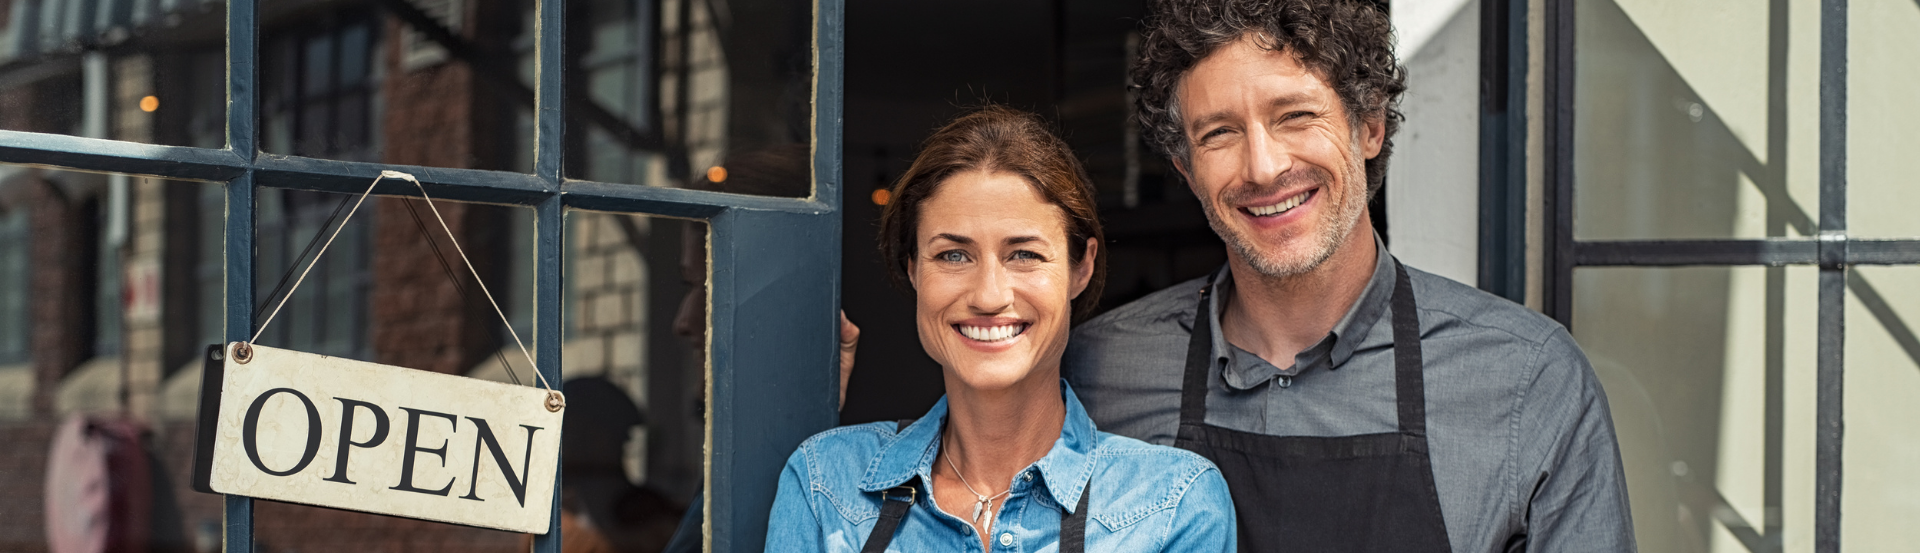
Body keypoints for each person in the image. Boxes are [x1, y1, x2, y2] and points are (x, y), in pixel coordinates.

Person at [1062, 1, 1636, 551]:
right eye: (1219, 133)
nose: (1264, 167)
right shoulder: (1094, 374)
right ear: (1186, 169)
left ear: (1369, 126)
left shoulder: (1526, 381)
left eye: (1296, 116)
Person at [767, 106, 1235, 552]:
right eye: (953, 255)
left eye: (1024, 255)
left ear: (1081, 267)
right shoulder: (825, 483)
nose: (989, 296)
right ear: (913, 270)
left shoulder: (1171, 504)